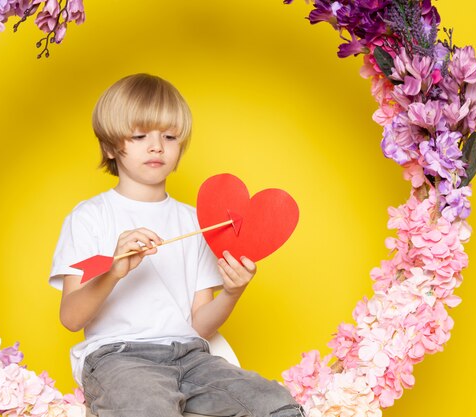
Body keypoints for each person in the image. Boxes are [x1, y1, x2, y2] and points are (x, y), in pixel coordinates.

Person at [49, 73, 304, 417]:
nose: (157, 146)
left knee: (274, 404)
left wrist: (232, 292)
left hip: (192, 358)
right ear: (110, 146)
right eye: (139, 136)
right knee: (148, 409)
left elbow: (199, 325)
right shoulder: (90, 219)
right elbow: (71, 317)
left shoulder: (197, 222)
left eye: (169, 136)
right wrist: (113, 271)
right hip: (119, 358)